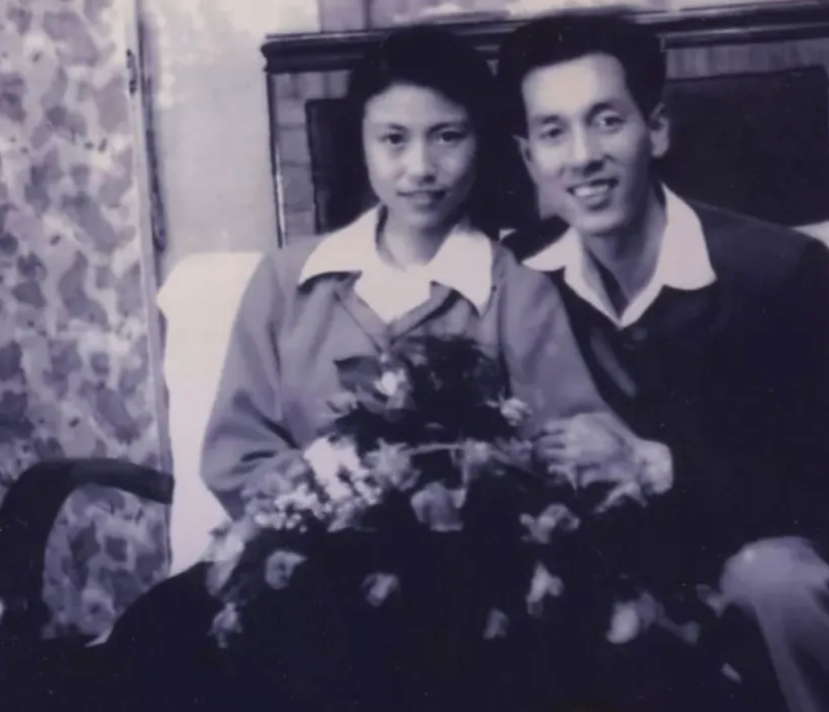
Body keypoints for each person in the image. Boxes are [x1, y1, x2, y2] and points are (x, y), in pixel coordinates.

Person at [97, 25, 667, 712]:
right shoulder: (287, 281)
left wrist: (465, 488)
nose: (420, 167)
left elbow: (570, 448)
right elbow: (238, 451)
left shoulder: (517, 290)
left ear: (482, 143)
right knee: (156, 637)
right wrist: (327, 489)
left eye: (447, 137)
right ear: (362, 144)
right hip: (301, 563)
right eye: (393, 139)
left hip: (462, 579)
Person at [498, 13, 829, 712]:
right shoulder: (518, 279)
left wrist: (657, 466)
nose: (582, 157)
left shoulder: (780, 273)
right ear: (529, 157)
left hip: (780, 568)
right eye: (553, 132)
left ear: (655, 129)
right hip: (627, 572)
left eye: (606, 121)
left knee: (770, 579)